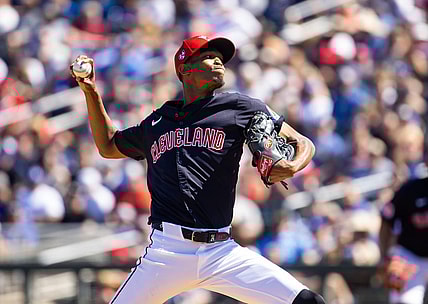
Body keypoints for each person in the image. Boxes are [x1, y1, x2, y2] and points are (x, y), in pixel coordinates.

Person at [70, 35, 323, 304]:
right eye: (208, 56)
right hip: (167, 253)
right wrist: (91, 92)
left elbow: (301, 141)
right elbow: (109, 146)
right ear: (184, 68)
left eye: (220, 57)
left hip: (222, 252)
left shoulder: (239, 107)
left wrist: (293, 164)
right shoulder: (158, 122)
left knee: (308, 301)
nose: (218, 62)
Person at [379, 177, 428, 304]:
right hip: (411, 257)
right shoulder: (411, 189)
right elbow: (387, 221)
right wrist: (385, 256)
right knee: (405, 301)